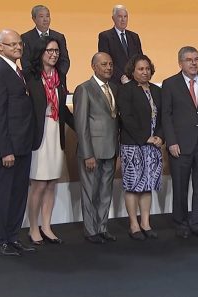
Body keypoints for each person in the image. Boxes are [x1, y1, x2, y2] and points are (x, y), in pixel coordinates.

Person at [162, 46, 198, 239]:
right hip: (180, 145)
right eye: (189, 60)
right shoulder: (170, 84)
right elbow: (166, 115)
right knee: (180, 187)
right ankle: (181, 223)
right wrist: (171, 141)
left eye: (196, 59)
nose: (194, 63)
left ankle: (197, 223)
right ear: (180, 63)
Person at [0, 29, 35, 256]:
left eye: (19, 44)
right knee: (3, 194)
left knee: (18, 194)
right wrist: (6, 150)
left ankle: (13, 237)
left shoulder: (17, 71)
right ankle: (0, 240)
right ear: (0, 47)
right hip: (7, 148)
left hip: (22, 144)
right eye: (12, 44)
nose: (17, 47)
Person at [25, 36, 75, 245]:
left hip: (56, 132)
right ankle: (33, 227)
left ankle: (47, 226)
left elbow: (62, 107)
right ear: (40, 53)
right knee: (38, 183)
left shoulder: (59, 76)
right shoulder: (31, 77)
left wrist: (80, 127)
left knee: (52, 182)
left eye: (56, 51)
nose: (54, 54)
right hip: (39, 133)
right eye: (50, 50)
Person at [73, 52, 119, 244]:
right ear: (93, 66)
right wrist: (87, 153)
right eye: (103, 64)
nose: (108, 67)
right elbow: (81, 124)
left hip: (111, 149)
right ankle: (91, 231)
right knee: (90, 192)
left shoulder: (115, 88)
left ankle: (102, 228)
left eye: (110, 64)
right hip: (91, 151)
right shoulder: (84, 89)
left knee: (105, 192)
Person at [116, 54, 163, 240]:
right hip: (133, 146)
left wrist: (160, 136)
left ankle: (146, 223)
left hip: (153, 146)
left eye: (147, 68)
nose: (145, 72)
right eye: (140, 69)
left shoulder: (157, 91)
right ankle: (134, 225)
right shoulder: (126, 90)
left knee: (147, 185)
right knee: (133, 185)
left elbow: (163, 117)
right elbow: (126, 118)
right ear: (132, 71)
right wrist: (146, 138)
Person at [98, 5, 143, 85]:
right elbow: (105, 61)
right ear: (113, 18)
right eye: (120, 16)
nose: (123, 20)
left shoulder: (134, 36)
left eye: (125, 16)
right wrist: (121, 77)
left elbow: (140, 59)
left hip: (135, 82)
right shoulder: (105, 36)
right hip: (115, 83)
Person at [21, 5, 70, 77]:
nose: (45, 19)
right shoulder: (26, 38)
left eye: (47, 16)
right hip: (35, 80)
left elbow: (64, 61)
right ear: (34, 19)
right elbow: (25, 62)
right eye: (41, 16)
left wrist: (57, 76)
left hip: (56, 80)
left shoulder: (59, 37)